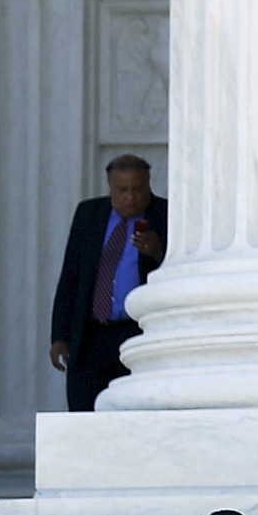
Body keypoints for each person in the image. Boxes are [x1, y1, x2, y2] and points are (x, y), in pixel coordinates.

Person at [49, 152, 166, 411]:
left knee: (135, 412)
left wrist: (158, 253)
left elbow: (182, 275)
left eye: (138, 188)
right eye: (123, 190)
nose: (131, 197)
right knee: (84, 412)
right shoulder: (89, 215)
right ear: (110, 187)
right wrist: (60, 335)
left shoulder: (166, 215)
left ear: (149, 184)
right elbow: (71, 277)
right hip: (91, 335)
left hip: (137, 333)